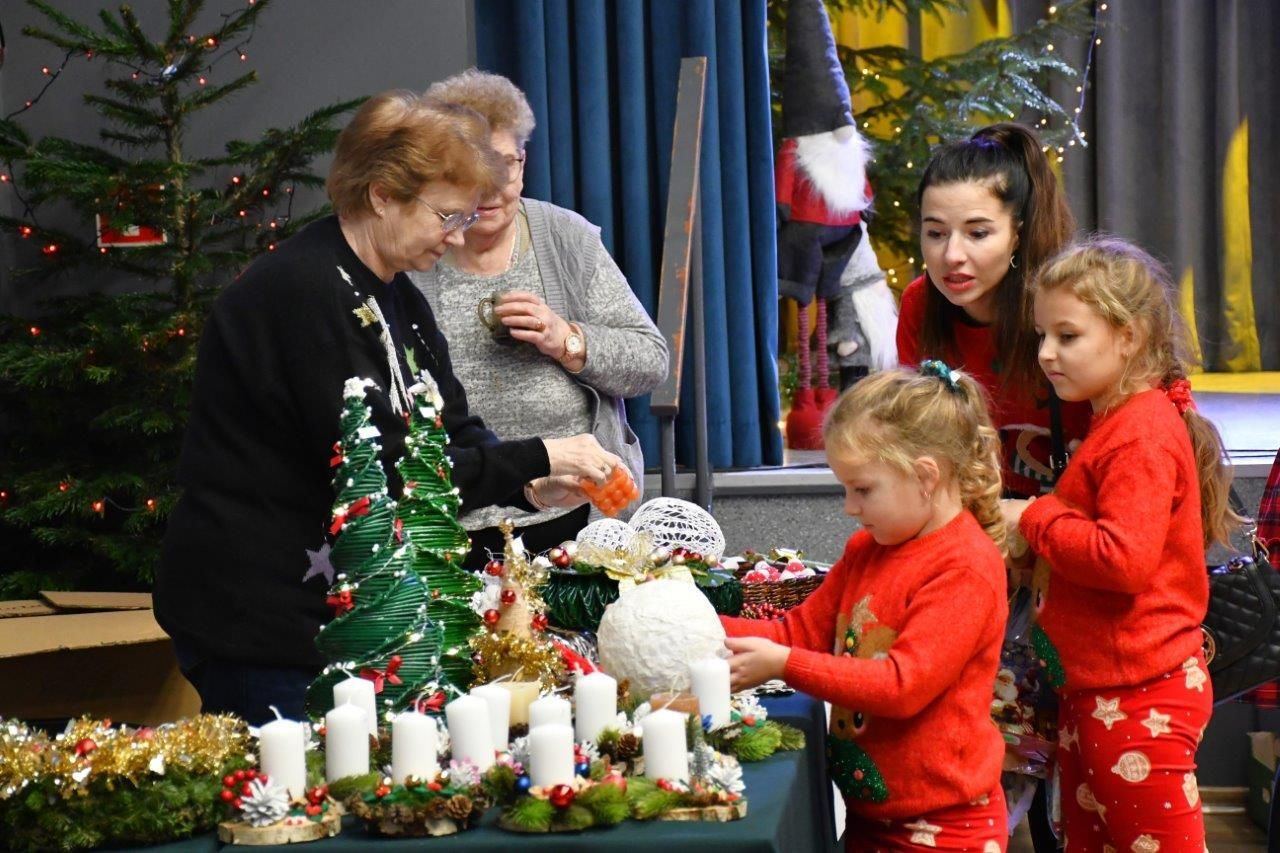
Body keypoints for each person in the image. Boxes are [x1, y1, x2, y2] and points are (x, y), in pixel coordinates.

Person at [154, 91, 622, 725]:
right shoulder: (304, 293)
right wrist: (537, 455)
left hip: (342, 611)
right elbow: (383, 469)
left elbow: (451, 426)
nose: (458, 235)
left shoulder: (399, 297)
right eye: (448, 216)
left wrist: (531, 485)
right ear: (381, 195)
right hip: (263, 617)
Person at [1003, 237, 1240, 851]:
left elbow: (1121, 560)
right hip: (1102, 689)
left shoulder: (1139, 435)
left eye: (1067, 336)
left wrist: (1034, 517)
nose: (1046, 353)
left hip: (1138, 695)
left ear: (1128, 336)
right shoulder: (1119, 420)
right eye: (1042, 335)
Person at [723, 362, 1010, 852]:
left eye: (863, 489)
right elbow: (798, 633)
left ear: (925, 476)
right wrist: (698, 624)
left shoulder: (965, 569)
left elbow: (902, 686)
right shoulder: (867, 550)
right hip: (871, 814)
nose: (849, 507)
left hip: (946, 829)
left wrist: (785, 665)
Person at [412, 70, 667, 567]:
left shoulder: (565, 238)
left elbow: (650, 363)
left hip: (575, 521)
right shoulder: (416, 254)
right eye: (471, 168)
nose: (489, 188)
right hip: (447, 528)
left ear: (523, 162)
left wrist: (566, 339)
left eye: (503, 166)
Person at [897, 123, 1091, 499]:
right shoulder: (919, 303)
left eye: (978, 233)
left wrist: (1035, 517)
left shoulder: (1076, 302)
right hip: (976, 516)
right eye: (935, 233)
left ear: (1018, 234)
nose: (952, 255)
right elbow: (918, 444)